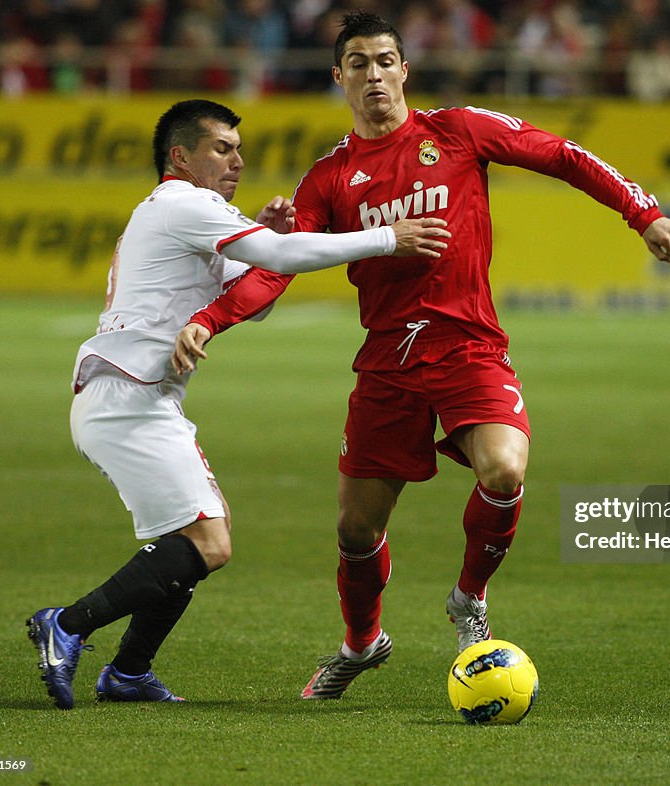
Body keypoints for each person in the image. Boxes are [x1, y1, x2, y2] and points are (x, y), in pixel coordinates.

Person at [172, 11, 670, 701]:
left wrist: (642, 212)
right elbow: (277, 266)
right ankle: (361, 644)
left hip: (468, 345)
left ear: (405, 70)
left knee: (504, 468)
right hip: (387, 362)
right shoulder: (329, 178)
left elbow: (561, 152)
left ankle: (468, 598)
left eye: (385, 60)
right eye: (358, 63)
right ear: (339, 78)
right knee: (357, 528)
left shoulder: (457, 130)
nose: (374, 74)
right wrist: (210, 319)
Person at [26, 98, 449, 710]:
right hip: (128, 395)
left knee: (190, 538)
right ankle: (67, 624)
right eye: (221, 149)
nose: (237, 160)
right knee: (208, 542)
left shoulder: (186, 213)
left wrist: (271, 234)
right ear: (180, 156)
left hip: (127, 395)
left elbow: (261, 293)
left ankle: (128, 672)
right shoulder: (183, 203)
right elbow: (282, 260)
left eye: (238, 149)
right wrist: (387, 236)